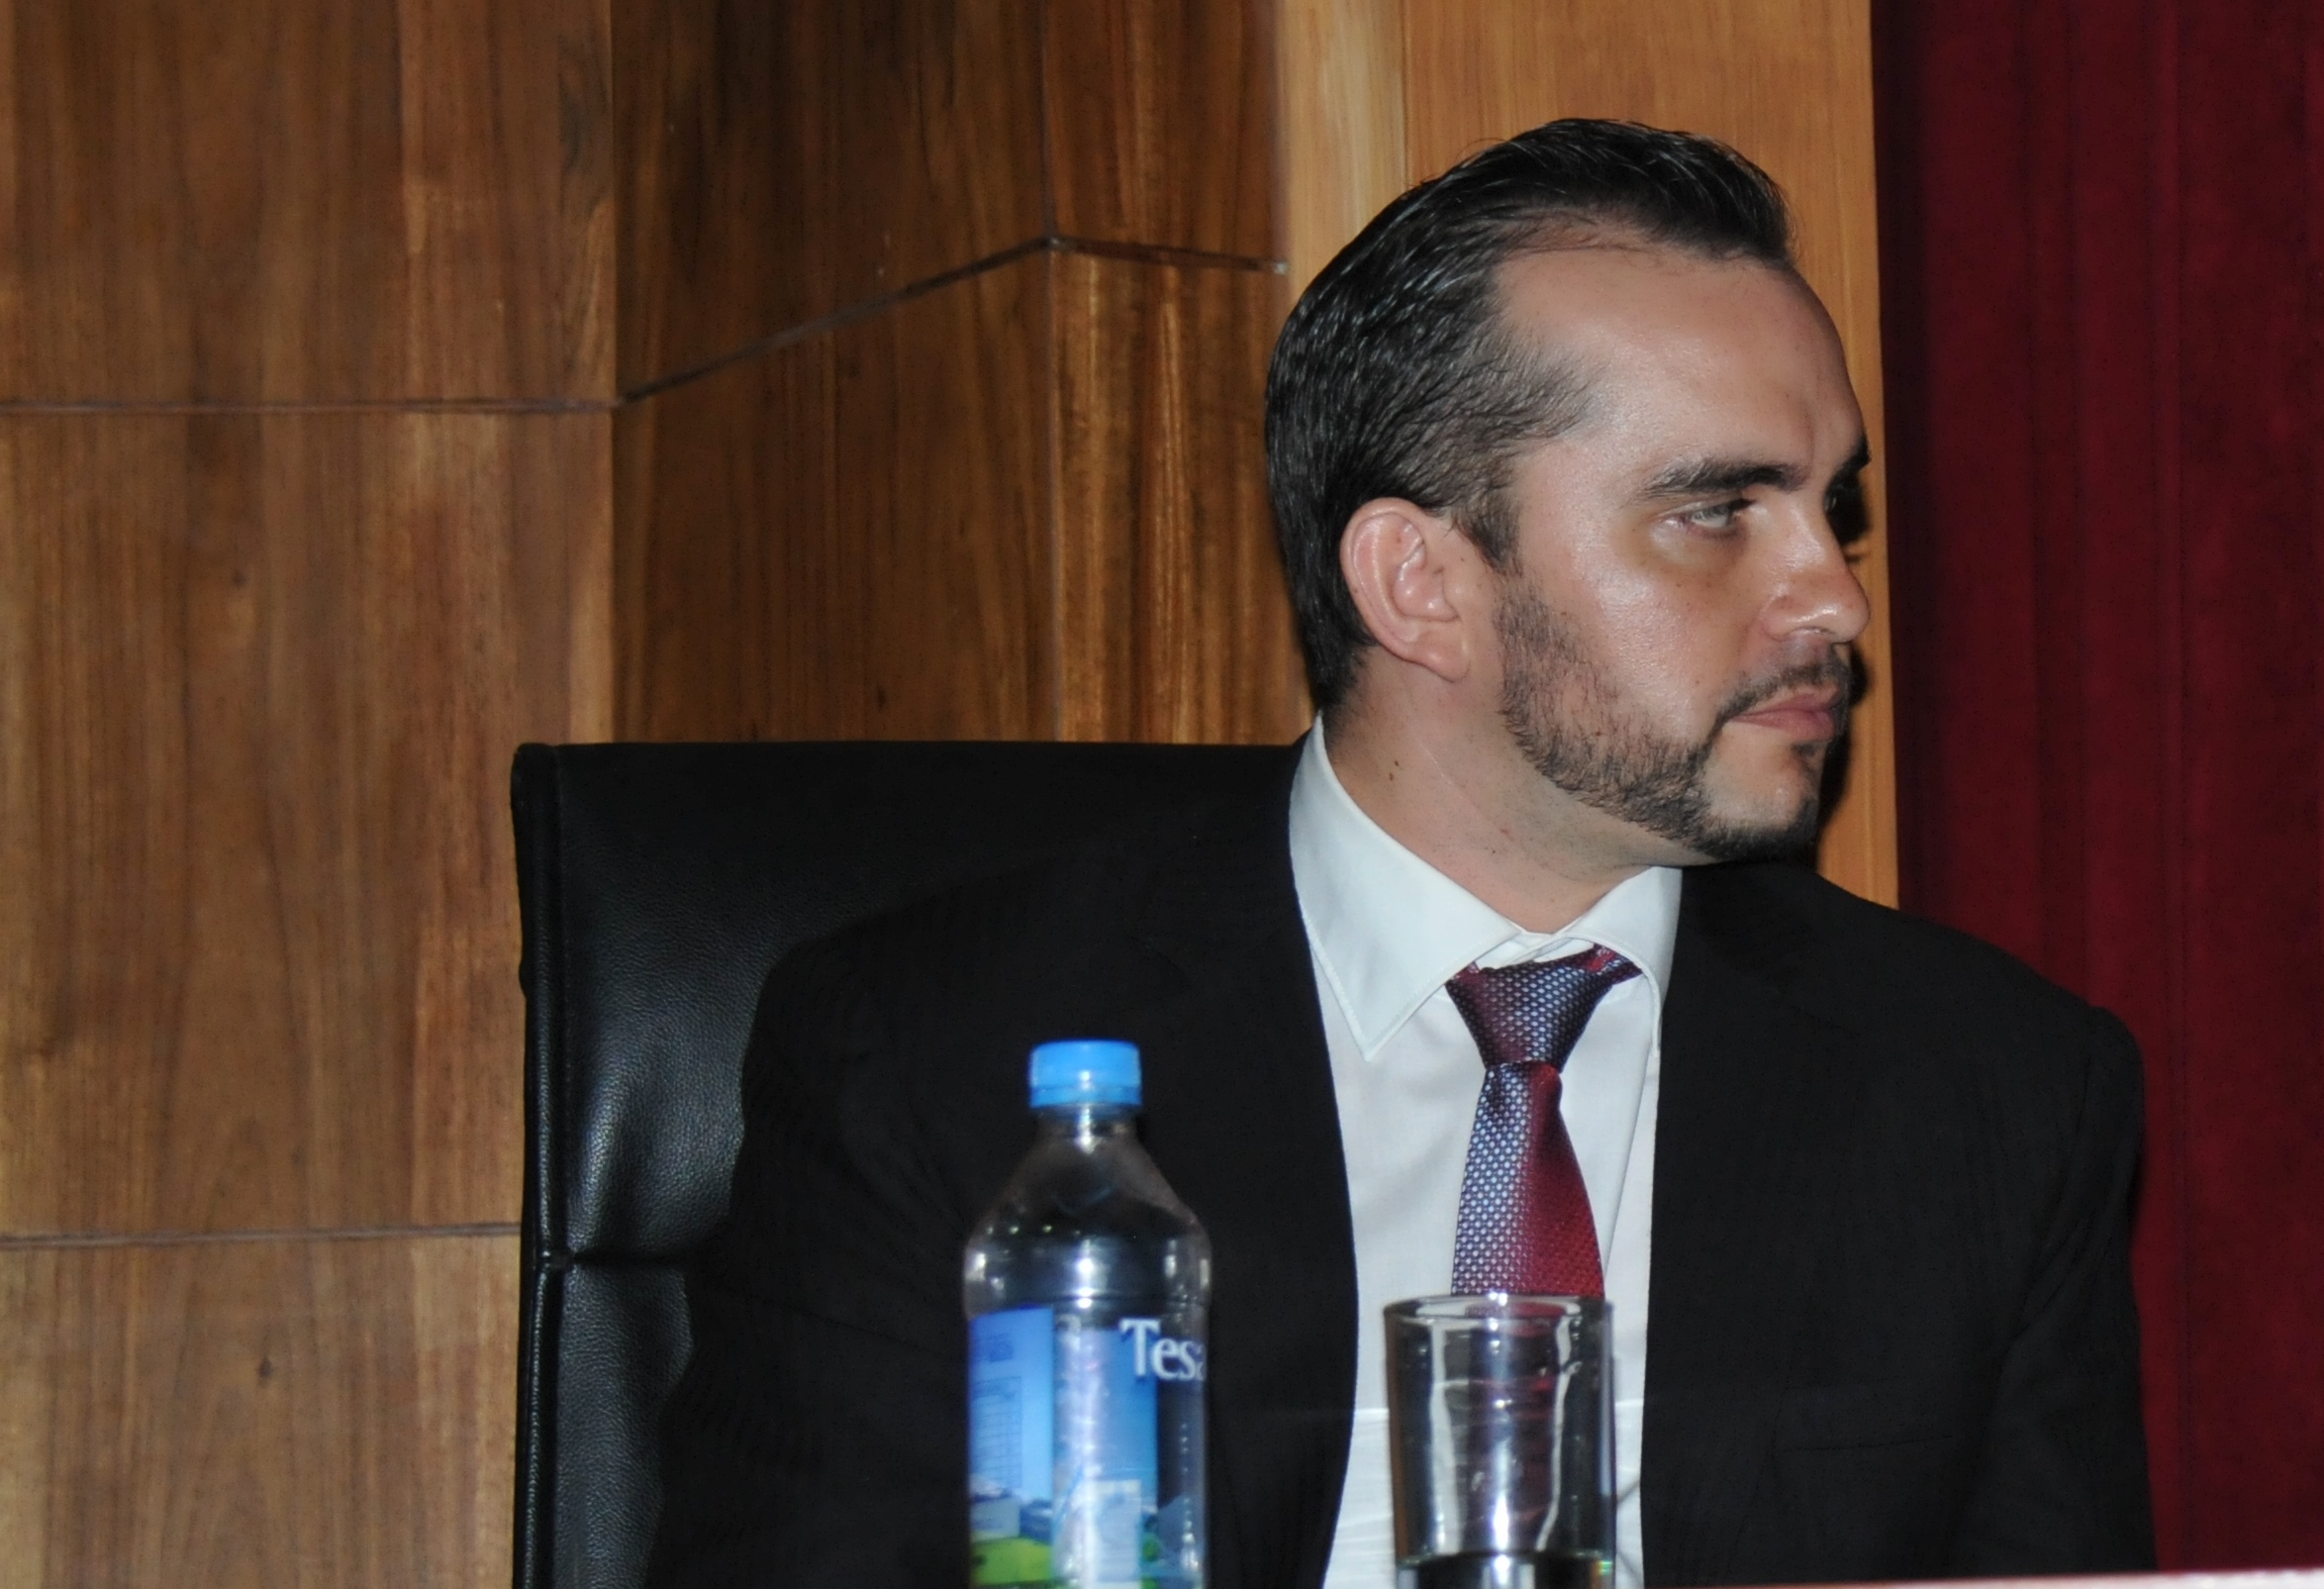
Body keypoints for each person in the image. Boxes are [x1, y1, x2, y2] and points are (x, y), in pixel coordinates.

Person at [650, 120, 2155, 1588]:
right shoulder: (935, 1055)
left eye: (1832, 510)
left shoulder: (1993, 1094)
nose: (1833, 599)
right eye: (1716, 513)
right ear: (1420, 581)